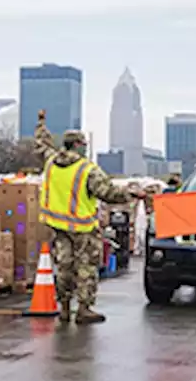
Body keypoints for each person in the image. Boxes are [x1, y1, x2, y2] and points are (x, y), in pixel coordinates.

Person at [35, 110, 143, 325]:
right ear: (77, 145)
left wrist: (41, 123)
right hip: (82, 227)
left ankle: (64, 307)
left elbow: (41, 145)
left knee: (63, 266)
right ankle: (83, 309)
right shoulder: (87, 169)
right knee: (86, 267)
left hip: (57, 225)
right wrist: (132, 194)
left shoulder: (51, 161)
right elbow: (108, 193)